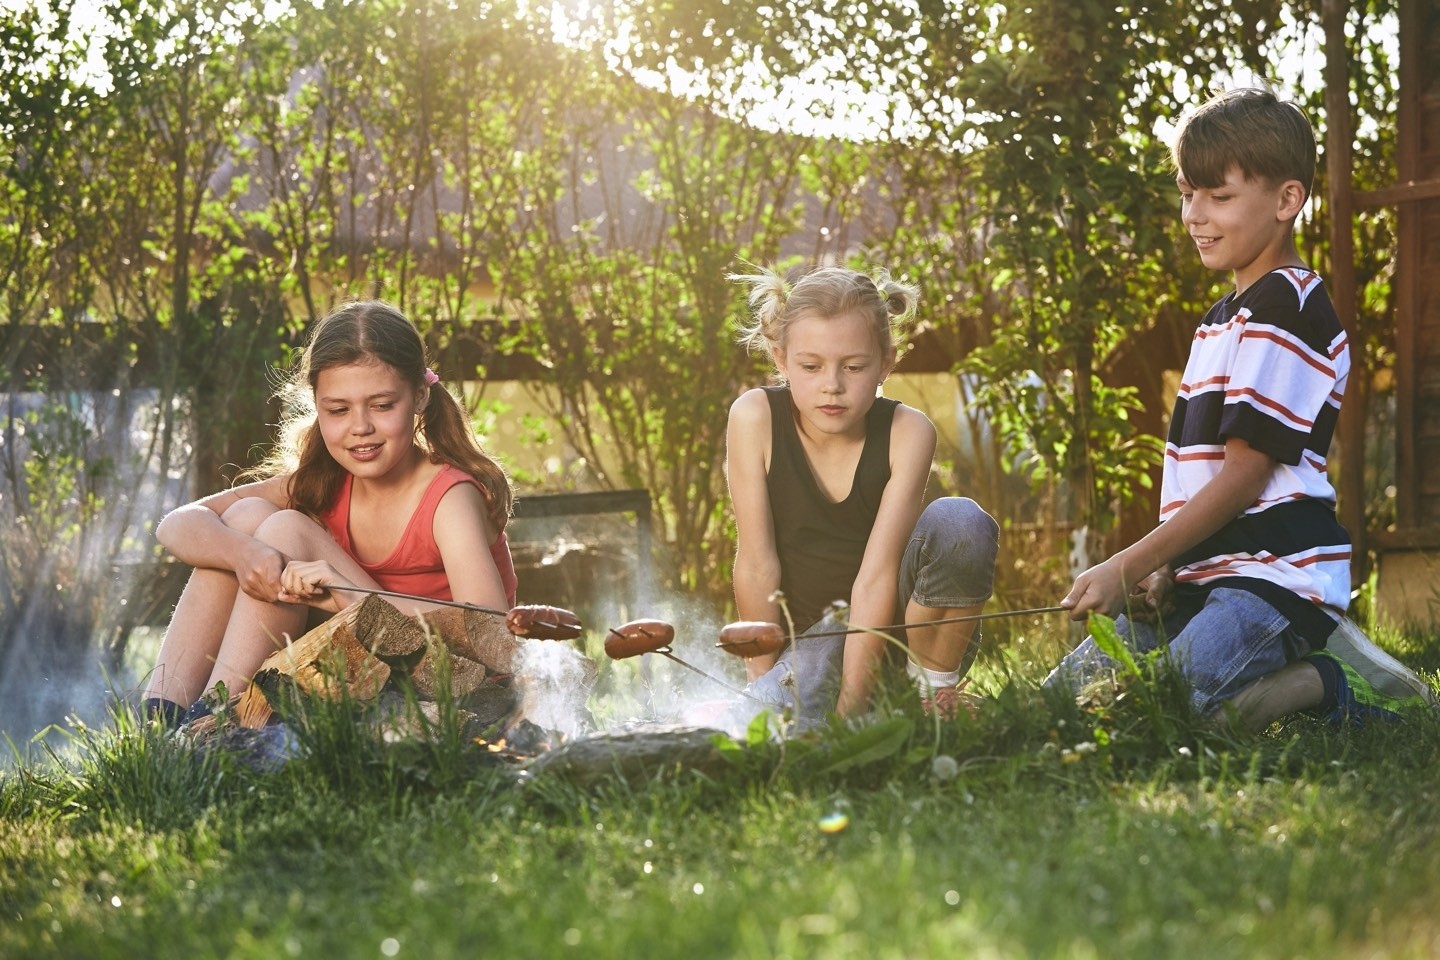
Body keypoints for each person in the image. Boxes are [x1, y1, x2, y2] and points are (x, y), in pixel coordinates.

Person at [1046, 88, 1433, 731]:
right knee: (1061, 708)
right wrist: (1168, 565)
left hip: (1271, 583)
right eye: (1186, 192)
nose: (1194, 214)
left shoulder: (1287, 309)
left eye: (1218, 196)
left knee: (1155, 715)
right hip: (1203, 579)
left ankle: (1321, 685)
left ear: (1287, 201)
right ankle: (1271, 692)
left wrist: (1127, 563)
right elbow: (1203, 480)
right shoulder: (1223, 320)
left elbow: (1245, 475)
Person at [141, 300, 517, 726]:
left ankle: (211, 720)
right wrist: (244, 556)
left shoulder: (449, 497)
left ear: (420, 396)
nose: (360, 427)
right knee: (244, 521)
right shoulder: (326, 481)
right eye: (338, 410)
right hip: (364, 662)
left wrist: (341, 590)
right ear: (317, 408)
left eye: (381, 405)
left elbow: (489, 635)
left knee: (284, 529)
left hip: (448, 677)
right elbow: (176, 526)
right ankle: (161, 721)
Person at [725, 264, 1000, 727]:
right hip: (809, 650)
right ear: (780, 359)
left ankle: (931, 698)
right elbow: (756, 563)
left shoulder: (907, 432)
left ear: (886, 364)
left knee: (960, 521)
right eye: (810, 367)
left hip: (896, 638)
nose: (832, 384)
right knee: (757, 722)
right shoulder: (755, 418)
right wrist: (764, 682)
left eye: (853, 367)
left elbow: (876, 578)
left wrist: (850, 710)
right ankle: (796, 707)